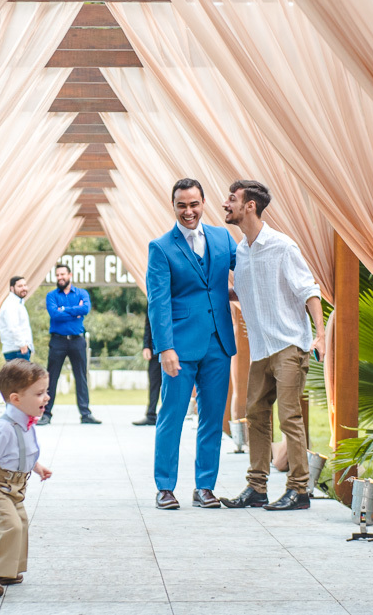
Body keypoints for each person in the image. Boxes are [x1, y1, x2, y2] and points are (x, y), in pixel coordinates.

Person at [219, 179, 325, 512]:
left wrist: (320, 335)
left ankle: (299, 490)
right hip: (262, 347)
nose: (226, 204)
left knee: (289, 416)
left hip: (290, 344)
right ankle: (257, 487)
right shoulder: (241, 251)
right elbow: (247, 293)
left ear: (250, 206)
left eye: (232, 199)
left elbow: (309, 290)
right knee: (256, 415)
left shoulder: (282, 246)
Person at [146, 178, 237, 510]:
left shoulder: (222, 238)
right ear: (173, 206)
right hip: (180, 347)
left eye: (194, 204)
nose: (189, 211)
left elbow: (247, 273)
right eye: (182, 205)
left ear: (203, 203)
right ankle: (165, 487)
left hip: (219, 342)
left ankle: (205, 487)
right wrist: (165, 348)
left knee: (212, 417)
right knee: (171, 415)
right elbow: (158, 302)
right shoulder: (161, 247)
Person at [0, 359, 53, 596]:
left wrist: (37, 467)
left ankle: (8, 571)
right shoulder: (2, 428)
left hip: (16, 489)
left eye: (46, 392)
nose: (46, 397)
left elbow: (20, 452)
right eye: (39, 393)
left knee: (22, 525)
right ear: (16, 399)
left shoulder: (26, 424)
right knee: (9, 527)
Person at [37, 264, 101, 425]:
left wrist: (64, 309)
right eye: (57, 275)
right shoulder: (51, 295)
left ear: (70, 275)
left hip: (77, 340)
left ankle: (85, 414)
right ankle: (46, 414)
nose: (60, 278)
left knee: (81, 377)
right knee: (51, 378)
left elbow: (85, 309)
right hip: (58, 340)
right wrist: (75, 311)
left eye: (63, 274)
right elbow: (54, 314)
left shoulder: (82, 293)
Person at [0, 276, 34, 362]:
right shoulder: (11, 304)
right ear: (12, 288)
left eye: (25, 285)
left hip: (19, 350)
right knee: (21, 376)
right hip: (16, 350)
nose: (24, 288)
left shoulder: (18, 303)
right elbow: (13, 327)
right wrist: (23, 345)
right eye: (20, 286)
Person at [133, 312, 160, 426]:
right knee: (154, 383)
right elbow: (149, 323)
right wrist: (146, 346)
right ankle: (151, 415)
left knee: (172, 385)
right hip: (155, 349)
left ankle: (169, 416)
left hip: (176, 348)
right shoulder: (154, 297)